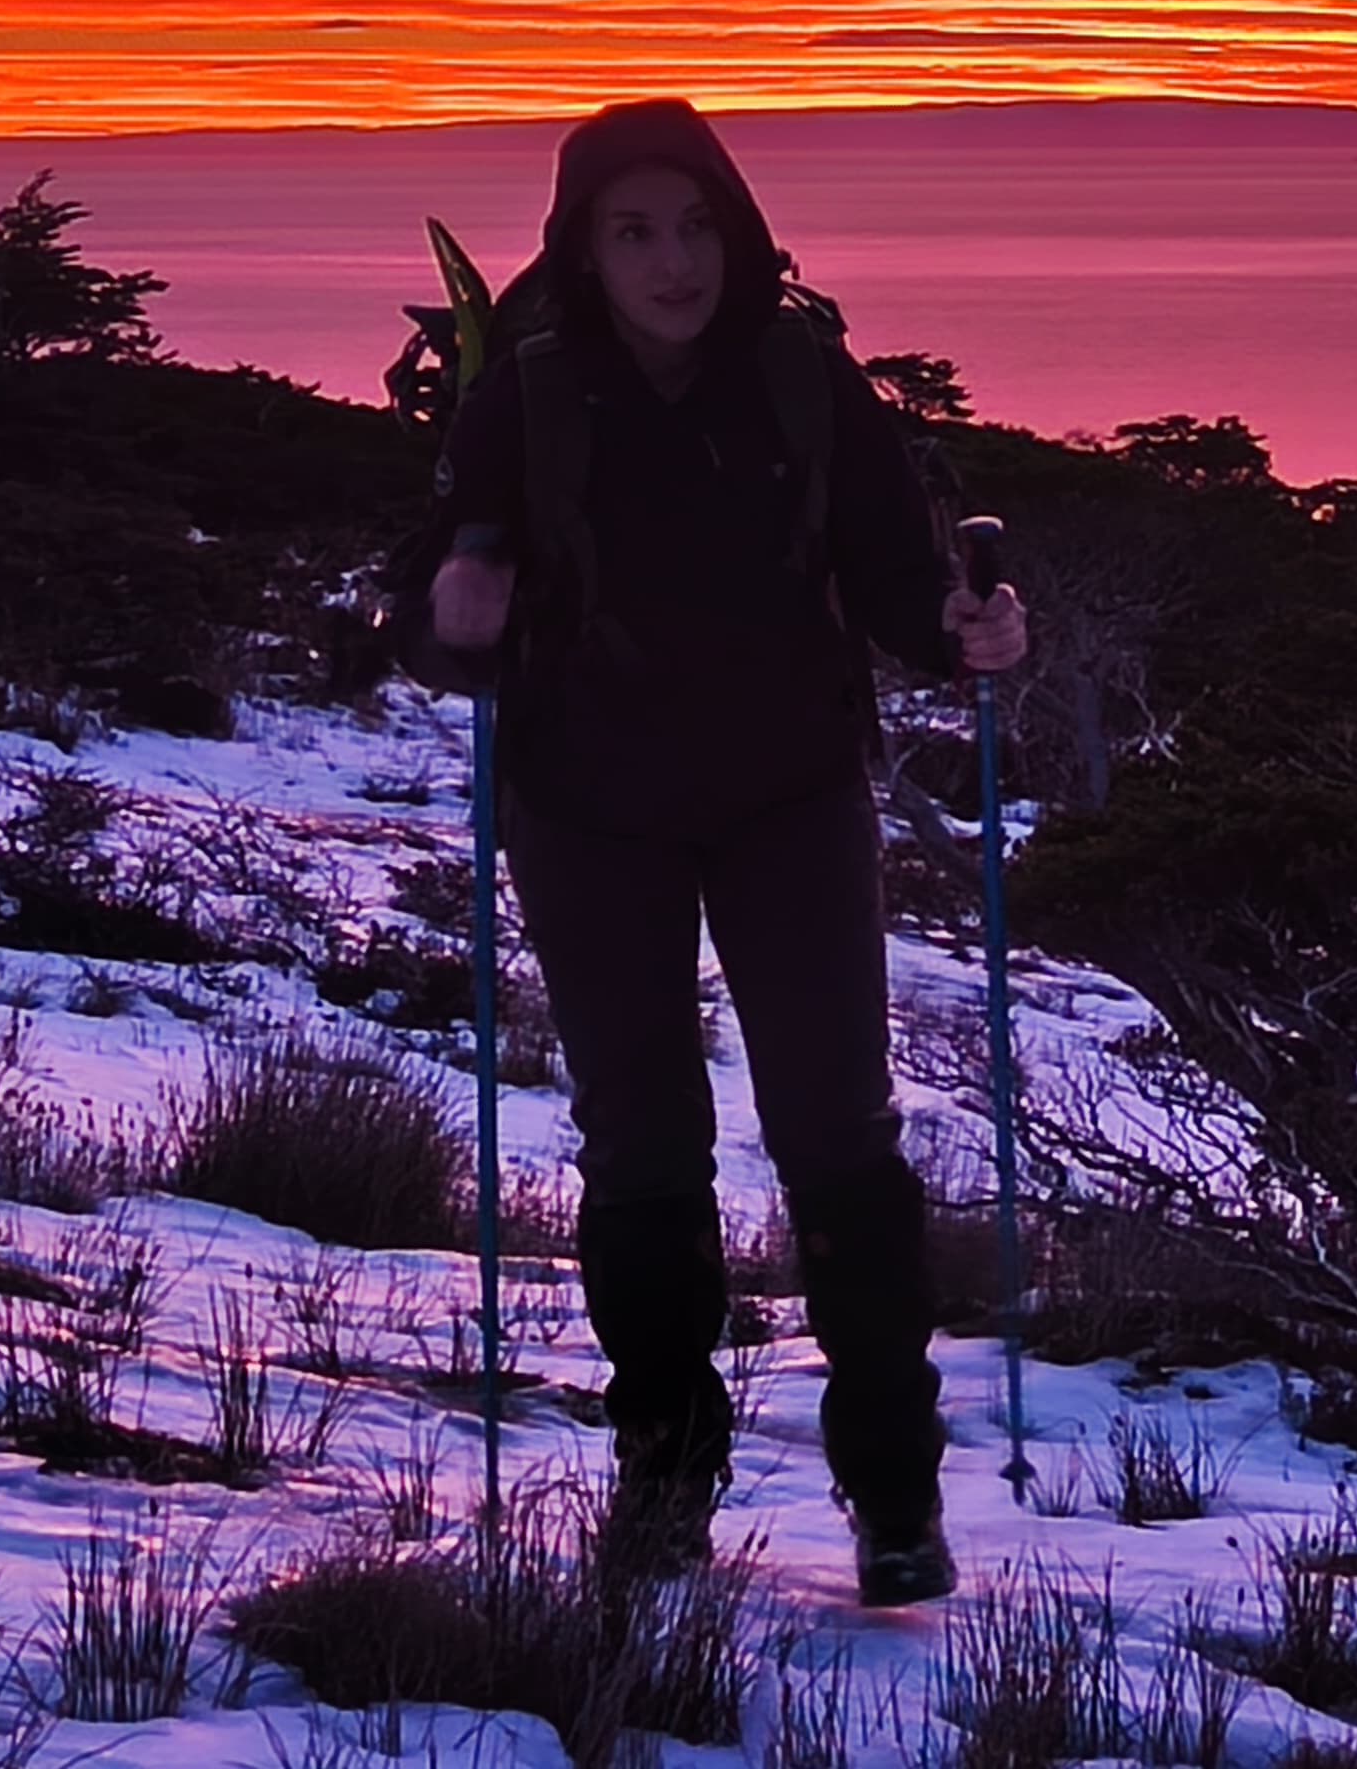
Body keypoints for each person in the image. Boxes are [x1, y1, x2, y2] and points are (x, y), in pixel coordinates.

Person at [404, 99, 1028, 1606]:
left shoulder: (808, 384)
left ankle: (894, 1499)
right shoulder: (529, 400)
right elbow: (431, 600)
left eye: (694, 228)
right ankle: (666, 1484)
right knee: (643, 1151)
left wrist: (963, 633)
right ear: (585, 249)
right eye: (635, 233)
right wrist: (452, 609)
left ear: (736, 229)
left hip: (788, 801)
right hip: (588, 803)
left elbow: (888, 577)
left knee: (838, 1142)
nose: (672, 262)